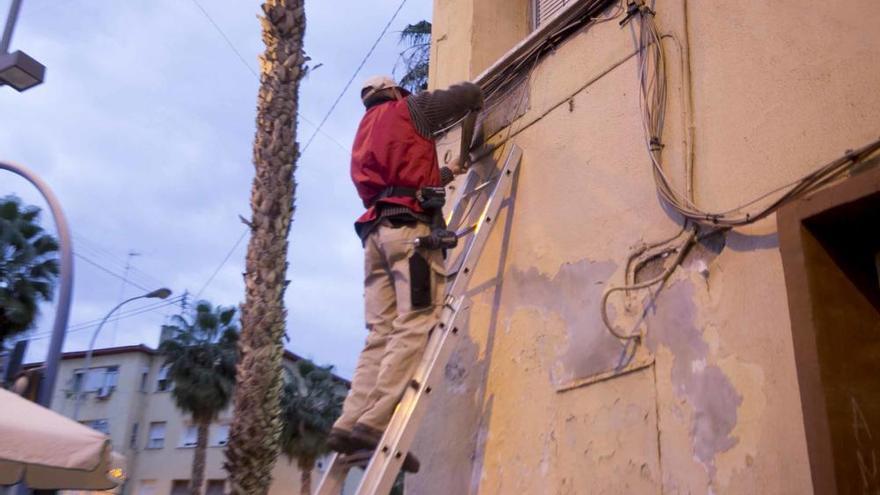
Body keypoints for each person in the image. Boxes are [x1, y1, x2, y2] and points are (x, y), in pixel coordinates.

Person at [327, 75, 483, 472]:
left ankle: (349, 423)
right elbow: (467, 95)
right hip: (411, 237)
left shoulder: (365, 132)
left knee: (380, 331)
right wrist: (474, 107)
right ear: (396, 91)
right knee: (416, 321)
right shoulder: (409, 110)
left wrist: (446, 172)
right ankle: (373, 424)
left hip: (376, 237)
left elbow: (398, 182)